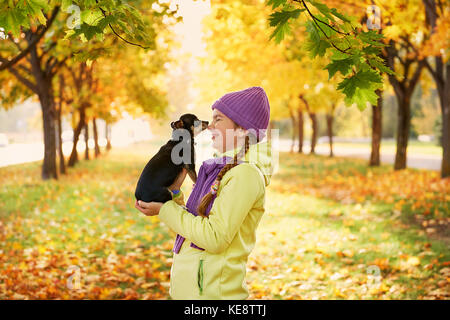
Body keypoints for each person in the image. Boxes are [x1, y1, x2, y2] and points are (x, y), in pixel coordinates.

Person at [135, 86, 273, 299]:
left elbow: (214, 237)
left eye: (218, 120)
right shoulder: (218, 168)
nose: (210, 127)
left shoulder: (245, 174)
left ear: (243, 129)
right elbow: (194, 223)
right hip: (191, 293)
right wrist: (173, 194)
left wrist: (165, 210)